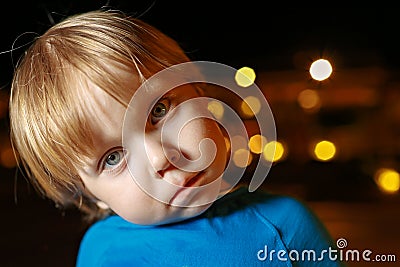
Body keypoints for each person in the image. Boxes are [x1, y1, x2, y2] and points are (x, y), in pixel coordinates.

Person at [9, 9, 345, 266]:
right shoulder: (101, 252)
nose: (160, 158)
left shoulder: (286, 226)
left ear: (199, 91)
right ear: (88, 193)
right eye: (112, 157)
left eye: (158, 110)